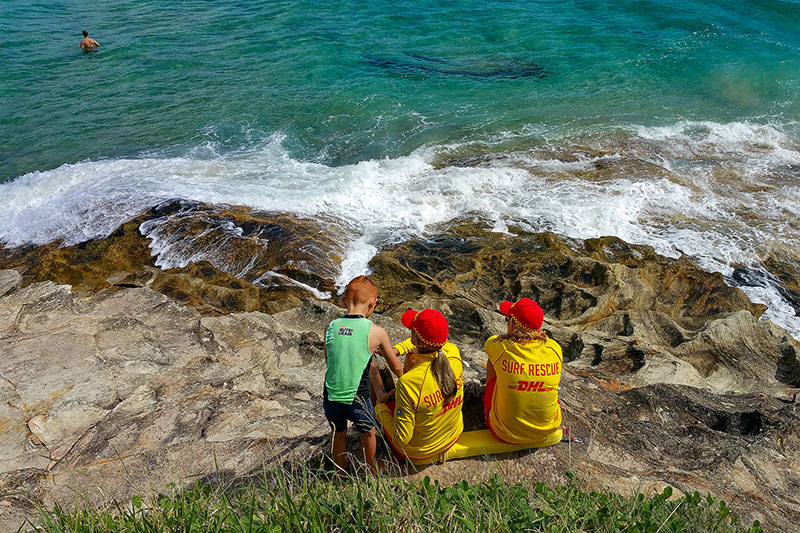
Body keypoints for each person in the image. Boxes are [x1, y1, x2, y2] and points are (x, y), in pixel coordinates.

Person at [323, 276, 403, 474]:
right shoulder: (376, 331)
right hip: (357, 397)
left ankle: (341, 473)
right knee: (368, 433)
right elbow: (396, 366)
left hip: (331, 395)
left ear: (343, 301)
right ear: (372, 303)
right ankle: (370, 470)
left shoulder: (331, 327)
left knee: (337, 433)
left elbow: (330, 361)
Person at [372, 308, 464, 465]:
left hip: (420, 452)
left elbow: (402, 438)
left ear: (418, 340)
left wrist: (380, 409)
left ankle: (372, 416)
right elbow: (419, 344)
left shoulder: (408, 383)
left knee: (373, 365)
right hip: (452, 436)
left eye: (412, 331)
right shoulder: (453, 353)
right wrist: (396, 350)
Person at [483, 297, 563, 446]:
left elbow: (488, 343)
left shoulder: (502, 348)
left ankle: (488, 411)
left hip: (504, 433)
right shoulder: (555, 348)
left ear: (513, 325)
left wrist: (507, 337)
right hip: (547, 432)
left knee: (493, 362)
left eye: (508, 319)